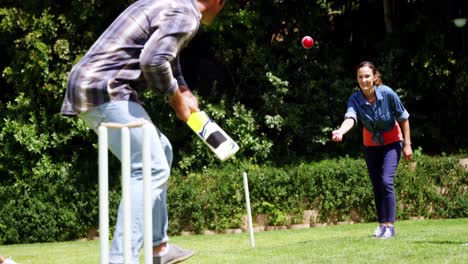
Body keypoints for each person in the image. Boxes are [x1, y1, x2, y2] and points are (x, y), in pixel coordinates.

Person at [60, 0, 225, 263]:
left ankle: (158, 248)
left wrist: (183, 89)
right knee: (150, 167)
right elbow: (153, 61)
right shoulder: (187, 14)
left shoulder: (170, 4)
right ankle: (121, 259)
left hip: (94, 84)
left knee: (163, 151)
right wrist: (177, 101)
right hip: (104, 88)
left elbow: (168, 57)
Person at [331, 61, 412, 239]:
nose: (364, 80)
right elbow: (351, 117)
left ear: (374, 77)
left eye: (367, 76)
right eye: (360, 77)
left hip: (392, 141)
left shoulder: (387, 93)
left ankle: (390, 226)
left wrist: (407, 144)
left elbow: (404, 118)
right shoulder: (355, 98)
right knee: (376, 185)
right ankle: (382, 225)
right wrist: (341, 131)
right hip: (371, 144)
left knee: (386, 181)